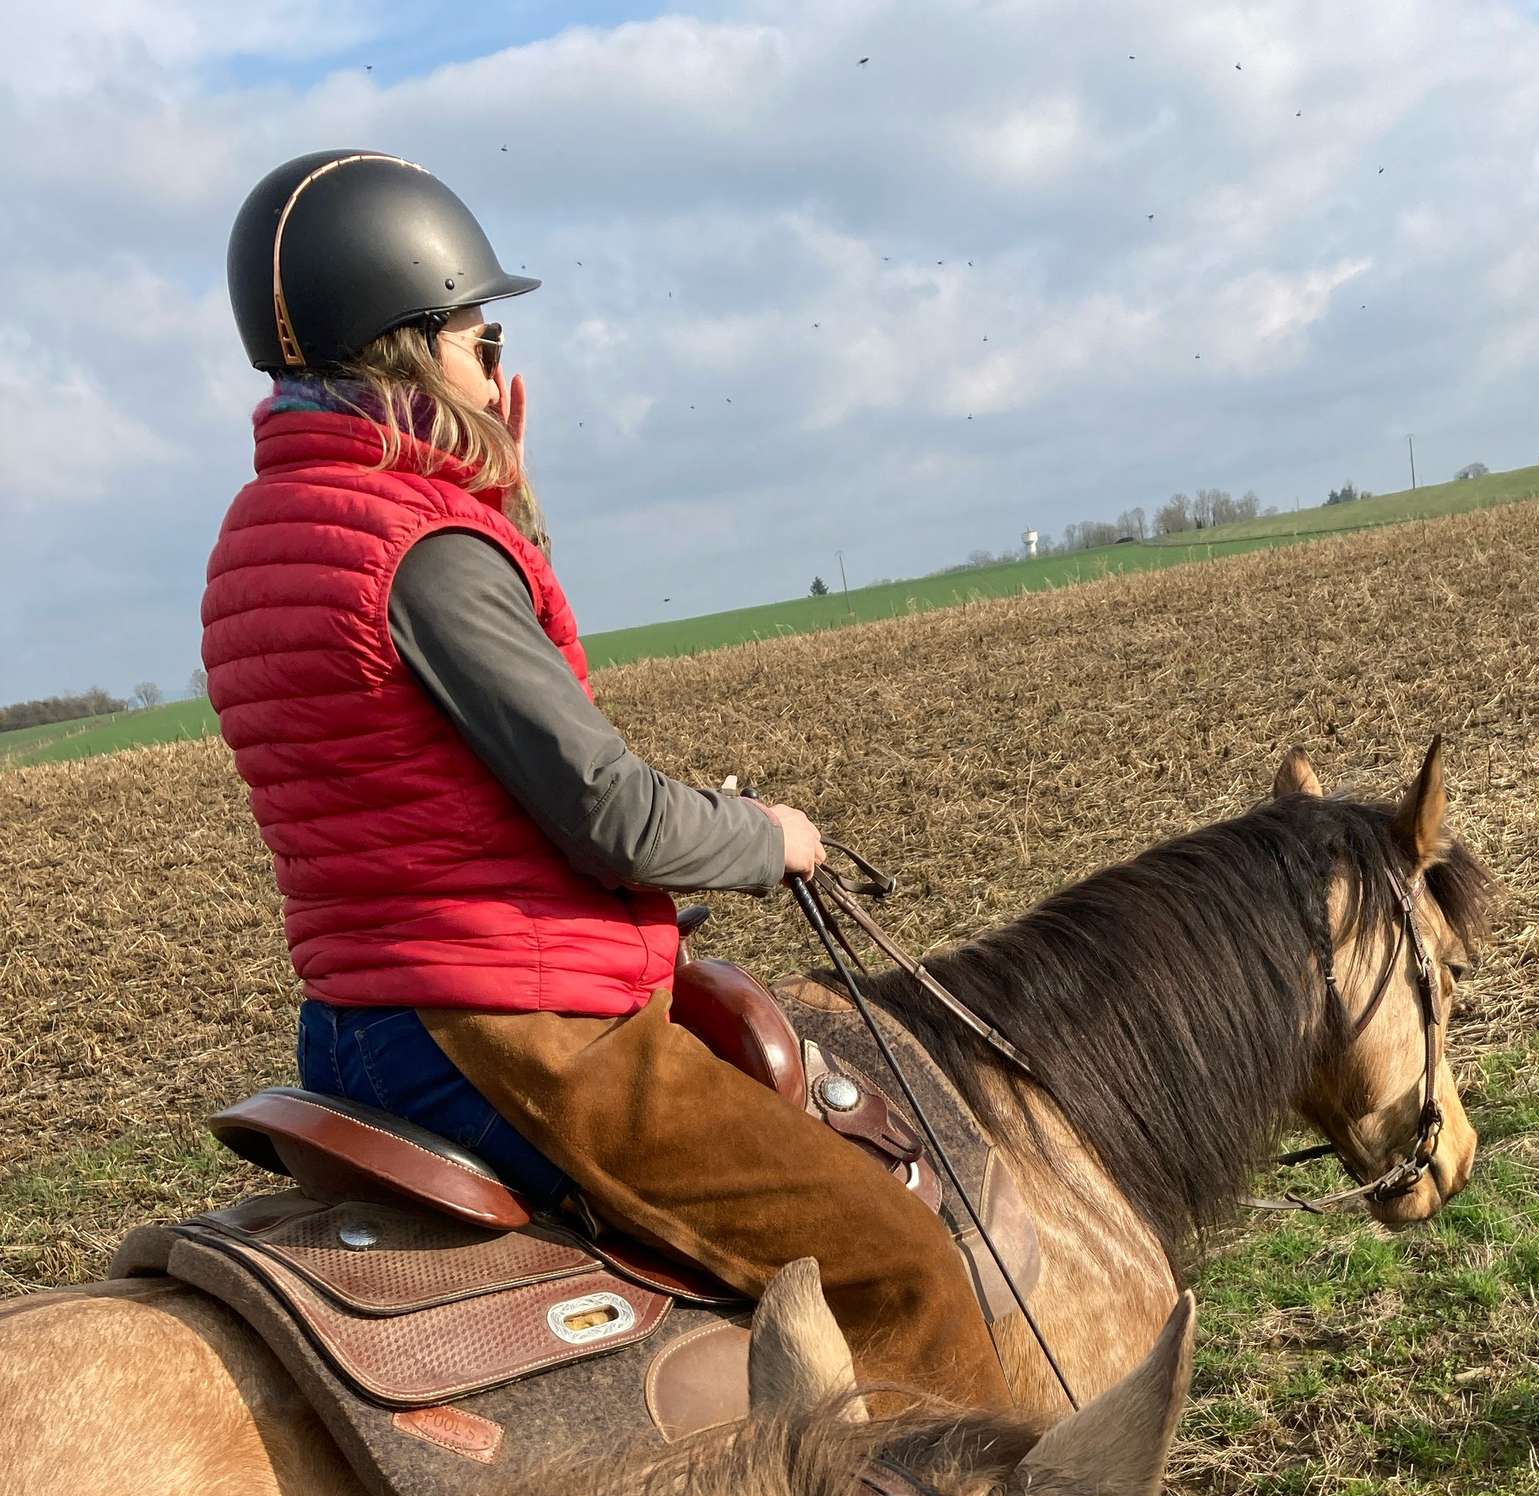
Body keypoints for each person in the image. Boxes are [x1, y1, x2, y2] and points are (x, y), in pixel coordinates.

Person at [204, 149, 1009, 1412]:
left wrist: (479, 490)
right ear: (411, 347)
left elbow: (406, 791)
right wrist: (768, 836)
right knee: (898, 1263)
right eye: (480, 339)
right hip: (511, 1030)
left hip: (357, 1019)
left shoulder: (266, 535)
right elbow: (609, 814)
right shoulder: (424, 550)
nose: (496, 372)